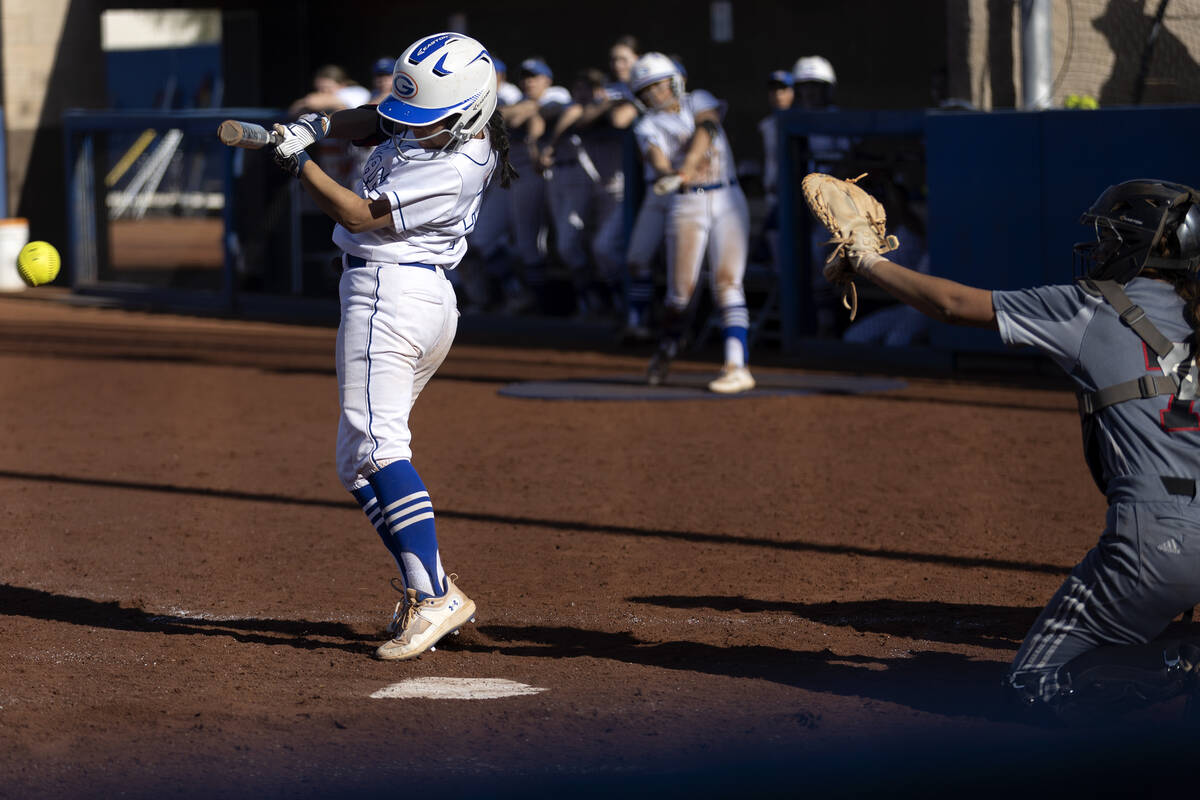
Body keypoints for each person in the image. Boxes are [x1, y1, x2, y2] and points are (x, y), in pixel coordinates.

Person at [817, 177, 1200, 724]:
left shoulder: (1093, 305)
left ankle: (1174, 666)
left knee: (1031, 686)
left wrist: (866, 260)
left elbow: (952, 305)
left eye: (1113, 235)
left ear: (1138, 246)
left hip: (1151, 546)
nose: (1103, 246)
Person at [268, 32, 516, 661]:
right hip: (408, 297)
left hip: (392, 297)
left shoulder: (456, 164)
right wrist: (318, 123)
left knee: (379, 449)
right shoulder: (441, 120)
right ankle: (428, 584)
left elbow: (356, 213)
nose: (412, 126)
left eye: (426, 120)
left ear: (470, 113)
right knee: (356, 459)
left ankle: (434, 596)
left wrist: (302, 163)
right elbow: (373, 119)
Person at [630, 52, 755, 394]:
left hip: (727, 195)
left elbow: (708, 126)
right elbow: (655, 158)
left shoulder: (698, 99)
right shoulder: (646, 124)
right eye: (648, 90)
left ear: (674, 81)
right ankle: (668, 347)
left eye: (660, 85)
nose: (657, 94)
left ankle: (736, 364)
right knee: (680, 295)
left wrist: (686, 166)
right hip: (686, 203)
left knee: (728, 281)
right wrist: (670, 174)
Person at [539, 67, 638, 319]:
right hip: (595, 187)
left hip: (622, 189)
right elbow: (576, 115)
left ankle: (623, 304)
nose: (583, 92)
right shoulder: (576, 111)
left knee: (605, 249)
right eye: (580, 87)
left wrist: (607, 102)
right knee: (582, 246)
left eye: (590, 88)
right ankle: (599, 301)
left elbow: (619, 117)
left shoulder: (619, 104)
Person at [496, 57, 572, 313]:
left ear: (547, 80)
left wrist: (528, 110)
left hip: (560, 174)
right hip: (526, 175)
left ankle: (579, 301)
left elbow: (527, 117)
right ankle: (539, 301)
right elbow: (503, 117)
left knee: (568, 241)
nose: (529, 81)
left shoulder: (558, 94)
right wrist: (527, 108)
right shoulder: (520, 99)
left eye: (535, 76)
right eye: (525, 77)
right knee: (529, 241)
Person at [756, 70, 795, 273]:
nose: (778, 94)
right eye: (773, 90)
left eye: (783, 89)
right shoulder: (766, 125)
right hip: (773, 198)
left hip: (799, 197)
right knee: (779, 264)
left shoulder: (802, 121)